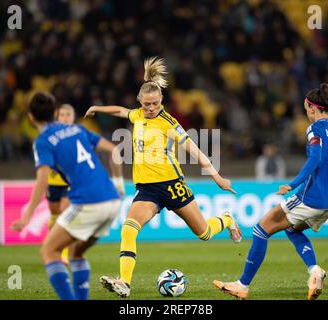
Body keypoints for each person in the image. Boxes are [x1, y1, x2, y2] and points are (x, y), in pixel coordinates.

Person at [84, 57, 242, 298]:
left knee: (204, 234)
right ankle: (124, 282)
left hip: (172, 186)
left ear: (161, 101)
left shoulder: (169, 123)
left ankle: (227, 219)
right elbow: (120, 111)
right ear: (140, 101)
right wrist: (97, 108)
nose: (151, 108)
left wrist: (218, 179)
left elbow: (196, 152)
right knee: (128, 229)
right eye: (146, 104)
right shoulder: (137, 115)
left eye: (155, 104)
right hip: (147, 189)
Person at [214, 83, 328, 300]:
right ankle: (315, 271)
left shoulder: (315, 129)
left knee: (260, 229)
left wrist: (292, 185)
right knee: (292, 229)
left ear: (313, 107)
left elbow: (315, 158)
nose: (306, 114)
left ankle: (242, 286)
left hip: (310, 197)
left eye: (306, 109)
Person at [11, 92, 124, 300]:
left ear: (30, 117)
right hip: (112, 201)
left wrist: (27, 216)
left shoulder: (43, 141)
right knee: (75, 253)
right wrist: (119, 185)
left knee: (49, 252)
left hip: (89, 204)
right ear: (55, 113)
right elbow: (115, 151)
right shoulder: (77, 128)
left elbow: (42, 181)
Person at [47, 104, 76, 265]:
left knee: (65, 212)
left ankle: (62, 253)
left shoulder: (77, 136)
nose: (65, 117)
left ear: (73, 118)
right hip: (52, 180)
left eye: (68, 115)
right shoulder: (50, 136)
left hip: (70, 182)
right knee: (55, 214)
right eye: (62, 115)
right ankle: (52, 246)